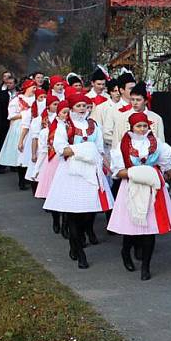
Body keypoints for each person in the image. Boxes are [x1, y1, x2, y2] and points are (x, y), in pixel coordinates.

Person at [43, 94, 113, 269]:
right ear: (72, 108)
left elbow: (99, 149)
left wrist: (108, 166)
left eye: (85, 106)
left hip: (91, 172)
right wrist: (84, 150)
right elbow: (61, 149)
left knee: (88, 213)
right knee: (74, 214)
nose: (82, 109)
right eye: (78, 106)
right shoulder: (64, 126)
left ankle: (77, 242)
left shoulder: (94, 126)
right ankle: (79, 252)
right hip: (72, 172)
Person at [108, 112, 171, 281]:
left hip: (152, 189)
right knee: (131, 229)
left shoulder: (157, 144)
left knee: (150, 229)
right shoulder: (123, 145)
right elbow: (118, 171)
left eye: (144, 126)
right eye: (138, 126)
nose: (142, 129)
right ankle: (126, 252)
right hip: (131, 187)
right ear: (132, 127)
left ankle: (146, 266)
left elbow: (165, 164)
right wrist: (138, 173)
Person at [34, 98, 67, 235]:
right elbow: (44, 150)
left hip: (67, 162)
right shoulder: (51, 129)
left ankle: (65, 225)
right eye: (64, 112)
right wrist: (37, 169)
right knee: (53, 193)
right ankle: (55, 219)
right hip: (54, 162)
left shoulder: (74, 127)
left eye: (68, 112)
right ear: (59, 113)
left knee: (66, 195)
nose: (66, 115)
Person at [0, 79, 36, 184]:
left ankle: (29, 177)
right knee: (21, 153)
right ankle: (21, 179)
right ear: (27, 88)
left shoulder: (36, 99)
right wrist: (25, 114)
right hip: (19, 127)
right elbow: (11, 116)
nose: (35, 90)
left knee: (31, 152)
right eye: (33, 87)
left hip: (33, 127)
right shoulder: (17, 100)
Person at [112, 82, 165, 147]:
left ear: (146, 101)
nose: (135, 103)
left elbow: (161, 144)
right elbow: (115, 143)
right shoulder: (121, 118)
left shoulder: (156, 119)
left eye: (138, 100)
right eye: (132, 99)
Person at [17, 89, 48, 191]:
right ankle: (25, 181)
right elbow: (25, 127)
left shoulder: (49, 111)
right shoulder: (30, 112)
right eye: (41, 97)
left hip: (44, 139)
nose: (43, 100)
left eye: (45, 97)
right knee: (28, 160)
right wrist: (21, 141)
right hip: (32, 138)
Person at [0, 73, 17, 172]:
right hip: (4, 122)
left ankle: (13, 164)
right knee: (3, 143)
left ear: (15, 84)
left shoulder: (19, 95)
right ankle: (1, 165)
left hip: (15, 122)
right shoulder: (1, 94)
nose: (9, 85)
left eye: (11, 83)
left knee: (14, 143)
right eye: (8, 83)